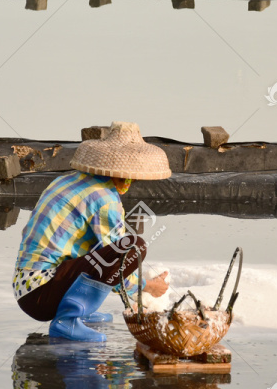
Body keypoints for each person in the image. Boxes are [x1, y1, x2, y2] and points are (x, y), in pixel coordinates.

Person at [13, 121, 170, 341]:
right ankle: (68, 320)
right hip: (41, 294)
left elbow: (95, 250)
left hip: (26, 287)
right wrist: (147, 286)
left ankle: (81, 309)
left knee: (114, 248)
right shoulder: (104, 198)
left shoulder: (67, 180)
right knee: (134, 247)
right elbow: (118, 261)